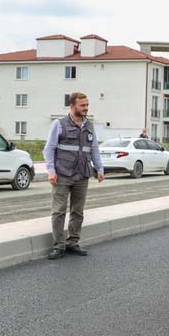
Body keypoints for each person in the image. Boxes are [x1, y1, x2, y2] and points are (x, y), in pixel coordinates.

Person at [43, 92, 105, 260]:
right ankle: (58, 246)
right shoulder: (59, 124)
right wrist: (51, 171)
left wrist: (99, 168)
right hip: (62, 174)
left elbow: (94, 149)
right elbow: (49, 149)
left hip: (82, 174)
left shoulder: (89, 126)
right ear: (72, 106)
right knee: (59, 211)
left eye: (87, 105)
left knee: (78, 211)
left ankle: (73, 242)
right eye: (82, 105)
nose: (86, 108)